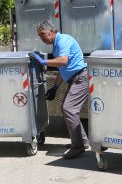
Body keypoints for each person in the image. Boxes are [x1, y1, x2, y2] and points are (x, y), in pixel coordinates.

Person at [33, 20, 89, 159]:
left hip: (80, 78)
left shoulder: (63, 40)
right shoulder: (56, 45)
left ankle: (78, 146)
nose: (42, 38)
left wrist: (44, 61)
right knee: (68, 109)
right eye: (40, 36)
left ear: (51, 31)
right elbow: (62, 69)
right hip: (74, 79)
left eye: (43, 35)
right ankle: (82, 141)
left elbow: (63, 61)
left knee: (69, 109)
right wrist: (55, 87)